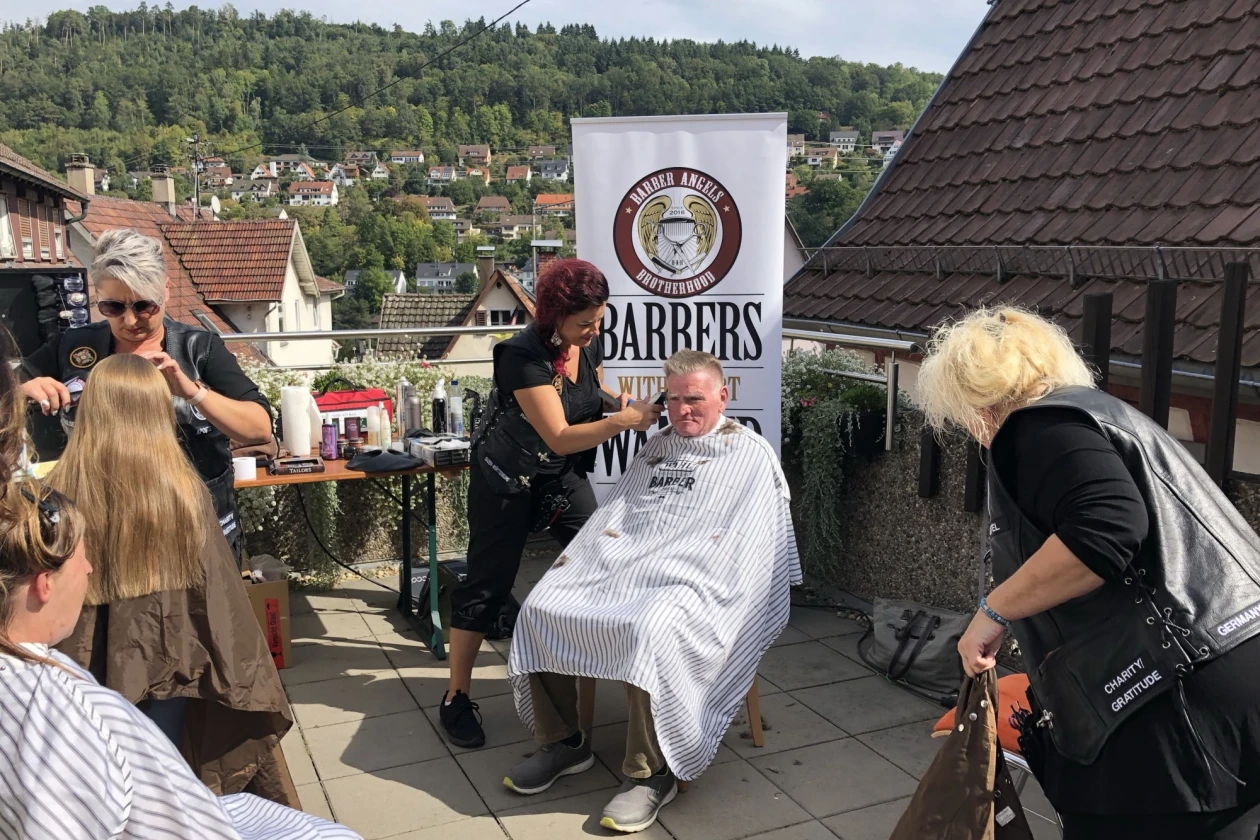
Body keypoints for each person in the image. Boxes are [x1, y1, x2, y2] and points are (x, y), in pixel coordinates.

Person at [917, 307, 1260, 840]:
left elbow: (1107, 531)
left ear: (973, 398)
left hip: (1171, 707)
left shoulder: (1035, 428)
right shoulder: (1106, 417)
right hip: (1230, 682)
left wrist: (991, 613)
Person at [504, 350, 801, 834]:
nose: (684, 410)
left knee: (651, 627)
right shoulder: (656, 447)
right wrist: (594, 560)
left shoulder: (751, 455)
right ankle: (564, 742)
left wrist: (687, 568)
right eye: (675, 399)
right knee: (541, 606)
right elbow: (617, 514)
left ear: (723, 397)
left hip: (700, 580)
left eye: (696, 400)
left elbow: (752, 545)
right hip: (625, 566)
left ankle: (650, 772)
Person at [0, 482, 362, 840]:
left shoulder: (38, 700)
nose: (91, 569)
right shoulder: (78, 716)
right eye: (82, 559)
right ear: (45, 583)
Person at [46, 354, 298, 805]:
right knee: (166, 786)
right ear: (158, 412)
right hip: (172, 676)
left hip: (85, 687)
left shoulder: (58, 497)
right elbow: (219, 607)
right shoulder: (183, 495)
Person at [440, 258, 663, 748]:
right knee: (487, 587)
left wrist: (615, 405)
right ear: (553, 316)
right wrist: (624, 422)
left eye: (600, 320)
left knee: (604, 555)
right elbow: (560, 435)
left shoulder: (589, 340)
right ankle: (456, 696)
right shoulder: (520, 356)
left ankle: (595, 664)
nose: (594, 330)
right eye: (584, 323)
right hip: (506, 479)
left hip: (558, 478)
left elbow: (591, 392)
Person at [20, 228, 273, 561]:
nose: (129, 320)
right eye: (112, 306)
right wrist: (21, 390)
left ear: (165, 292)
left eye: (144, 306)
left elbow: (259, 428)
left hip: (194, 527)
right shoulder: (72, 346)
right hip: (105, 528)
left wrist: (192, 392)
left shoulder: (200, 348)